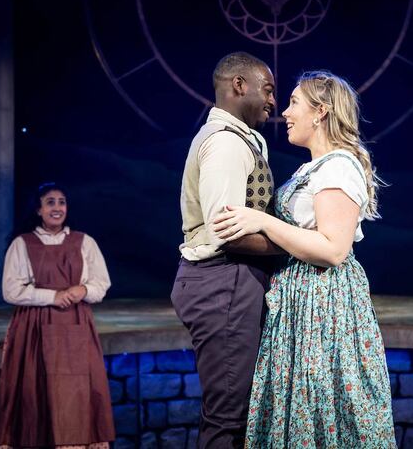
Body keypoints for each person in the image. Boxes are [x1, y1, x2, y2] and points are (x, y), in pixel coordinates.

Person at [213, 71, 397, 448]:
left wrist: (262, 220)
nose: (286, 112)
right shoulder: (313, 167)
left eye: (295, 102)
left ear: (321, 112)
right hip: (301, 298)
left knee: (322, 406)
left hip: (323, 303)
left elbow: (332, 249)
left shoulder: (338, 167)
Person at [170, 51, 281, 448]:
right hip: (223, 280)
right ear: (239, 85)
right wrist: (296, 246)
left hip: (230, 282)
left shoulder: (241, 140)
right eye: (268, 90)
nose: (273, 101)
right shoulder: (226, 144)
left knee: (235, 411)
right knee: (228, 417)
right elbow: (227, 232)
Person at [0, 182, 115, 449]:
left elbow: (101, 284)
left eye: (61, 202)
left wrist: (82, 288)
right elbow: (11, 290)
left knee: (77, 389)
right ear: (38, 209)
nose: (57, 207)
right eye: (50, 202)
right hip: (34, 329)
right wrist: (52, 296)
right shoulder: (22, 243)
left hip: (75, 325)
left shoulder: (84, 241)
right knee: (34, 388)